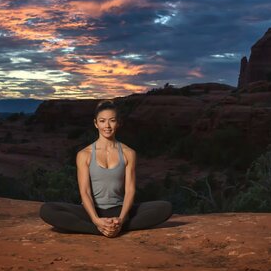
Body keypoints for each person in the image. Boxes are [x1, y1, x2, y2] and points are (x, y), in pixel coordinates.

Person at [39, 99, 172, 237]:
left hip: (120, 210)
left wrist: (121, 218)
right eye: (102, 121)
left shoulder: (128, 153)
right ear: (96, 124)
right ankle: (101, 228)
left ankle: (116, 225)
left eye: (112, 120)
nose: (107, 126)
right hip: (91, 211)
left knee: (165, 207)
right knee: (47, 210)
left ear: (118, 123)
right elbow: (85, 192)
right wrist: (96, 220)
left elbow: (130, 190)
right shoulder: (84, 154)